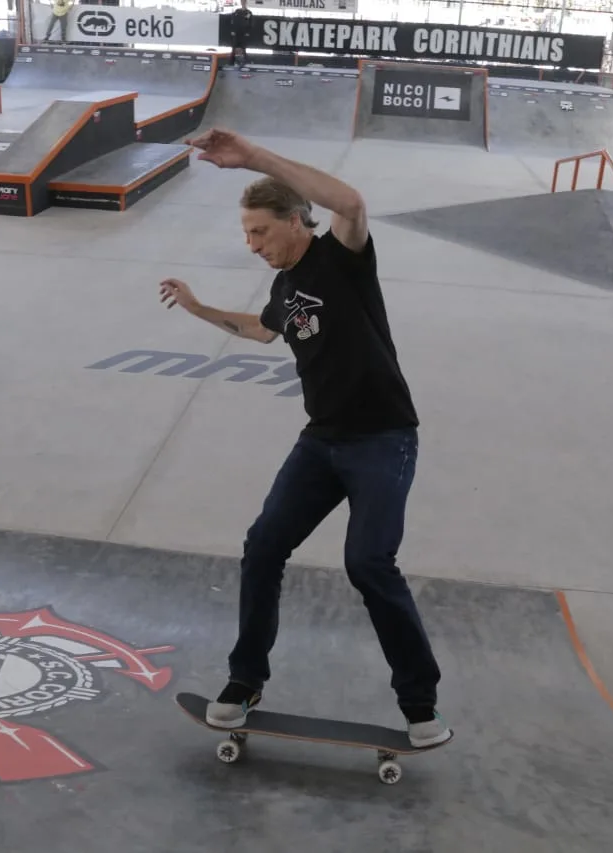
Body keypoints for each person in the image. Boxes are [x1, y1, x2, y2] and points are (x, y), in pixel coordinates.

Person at [156, 128, 450, 749]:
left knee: (368, 563)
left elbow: (352, 203)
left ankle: (419, 702)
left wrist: (257, 158)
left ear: (296, 221)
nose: (251, 244)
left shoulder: (342, 257)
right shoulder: (283, 287)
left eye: (260, 231)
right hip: (321, 442)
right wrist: (198, 307)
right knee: (263, 546)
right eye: (246, 234)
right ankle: (245, 680)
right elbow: (261, 332)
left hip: (383, 440)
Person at [230, 0, 253, 66]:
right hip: (236, 32)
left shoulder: (249, 12)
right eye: (242, 2)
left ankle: (244, 62)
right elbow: (233, 21)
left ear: (246, 3)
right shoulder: (237, 11)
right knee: (234, 47)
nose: (243, 3)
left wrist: (248, 32)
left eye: (244, 2)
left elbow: (250, 23)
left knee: (243, 48)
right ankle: (231, 62)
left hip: (244, 32)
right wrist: (233, 30)